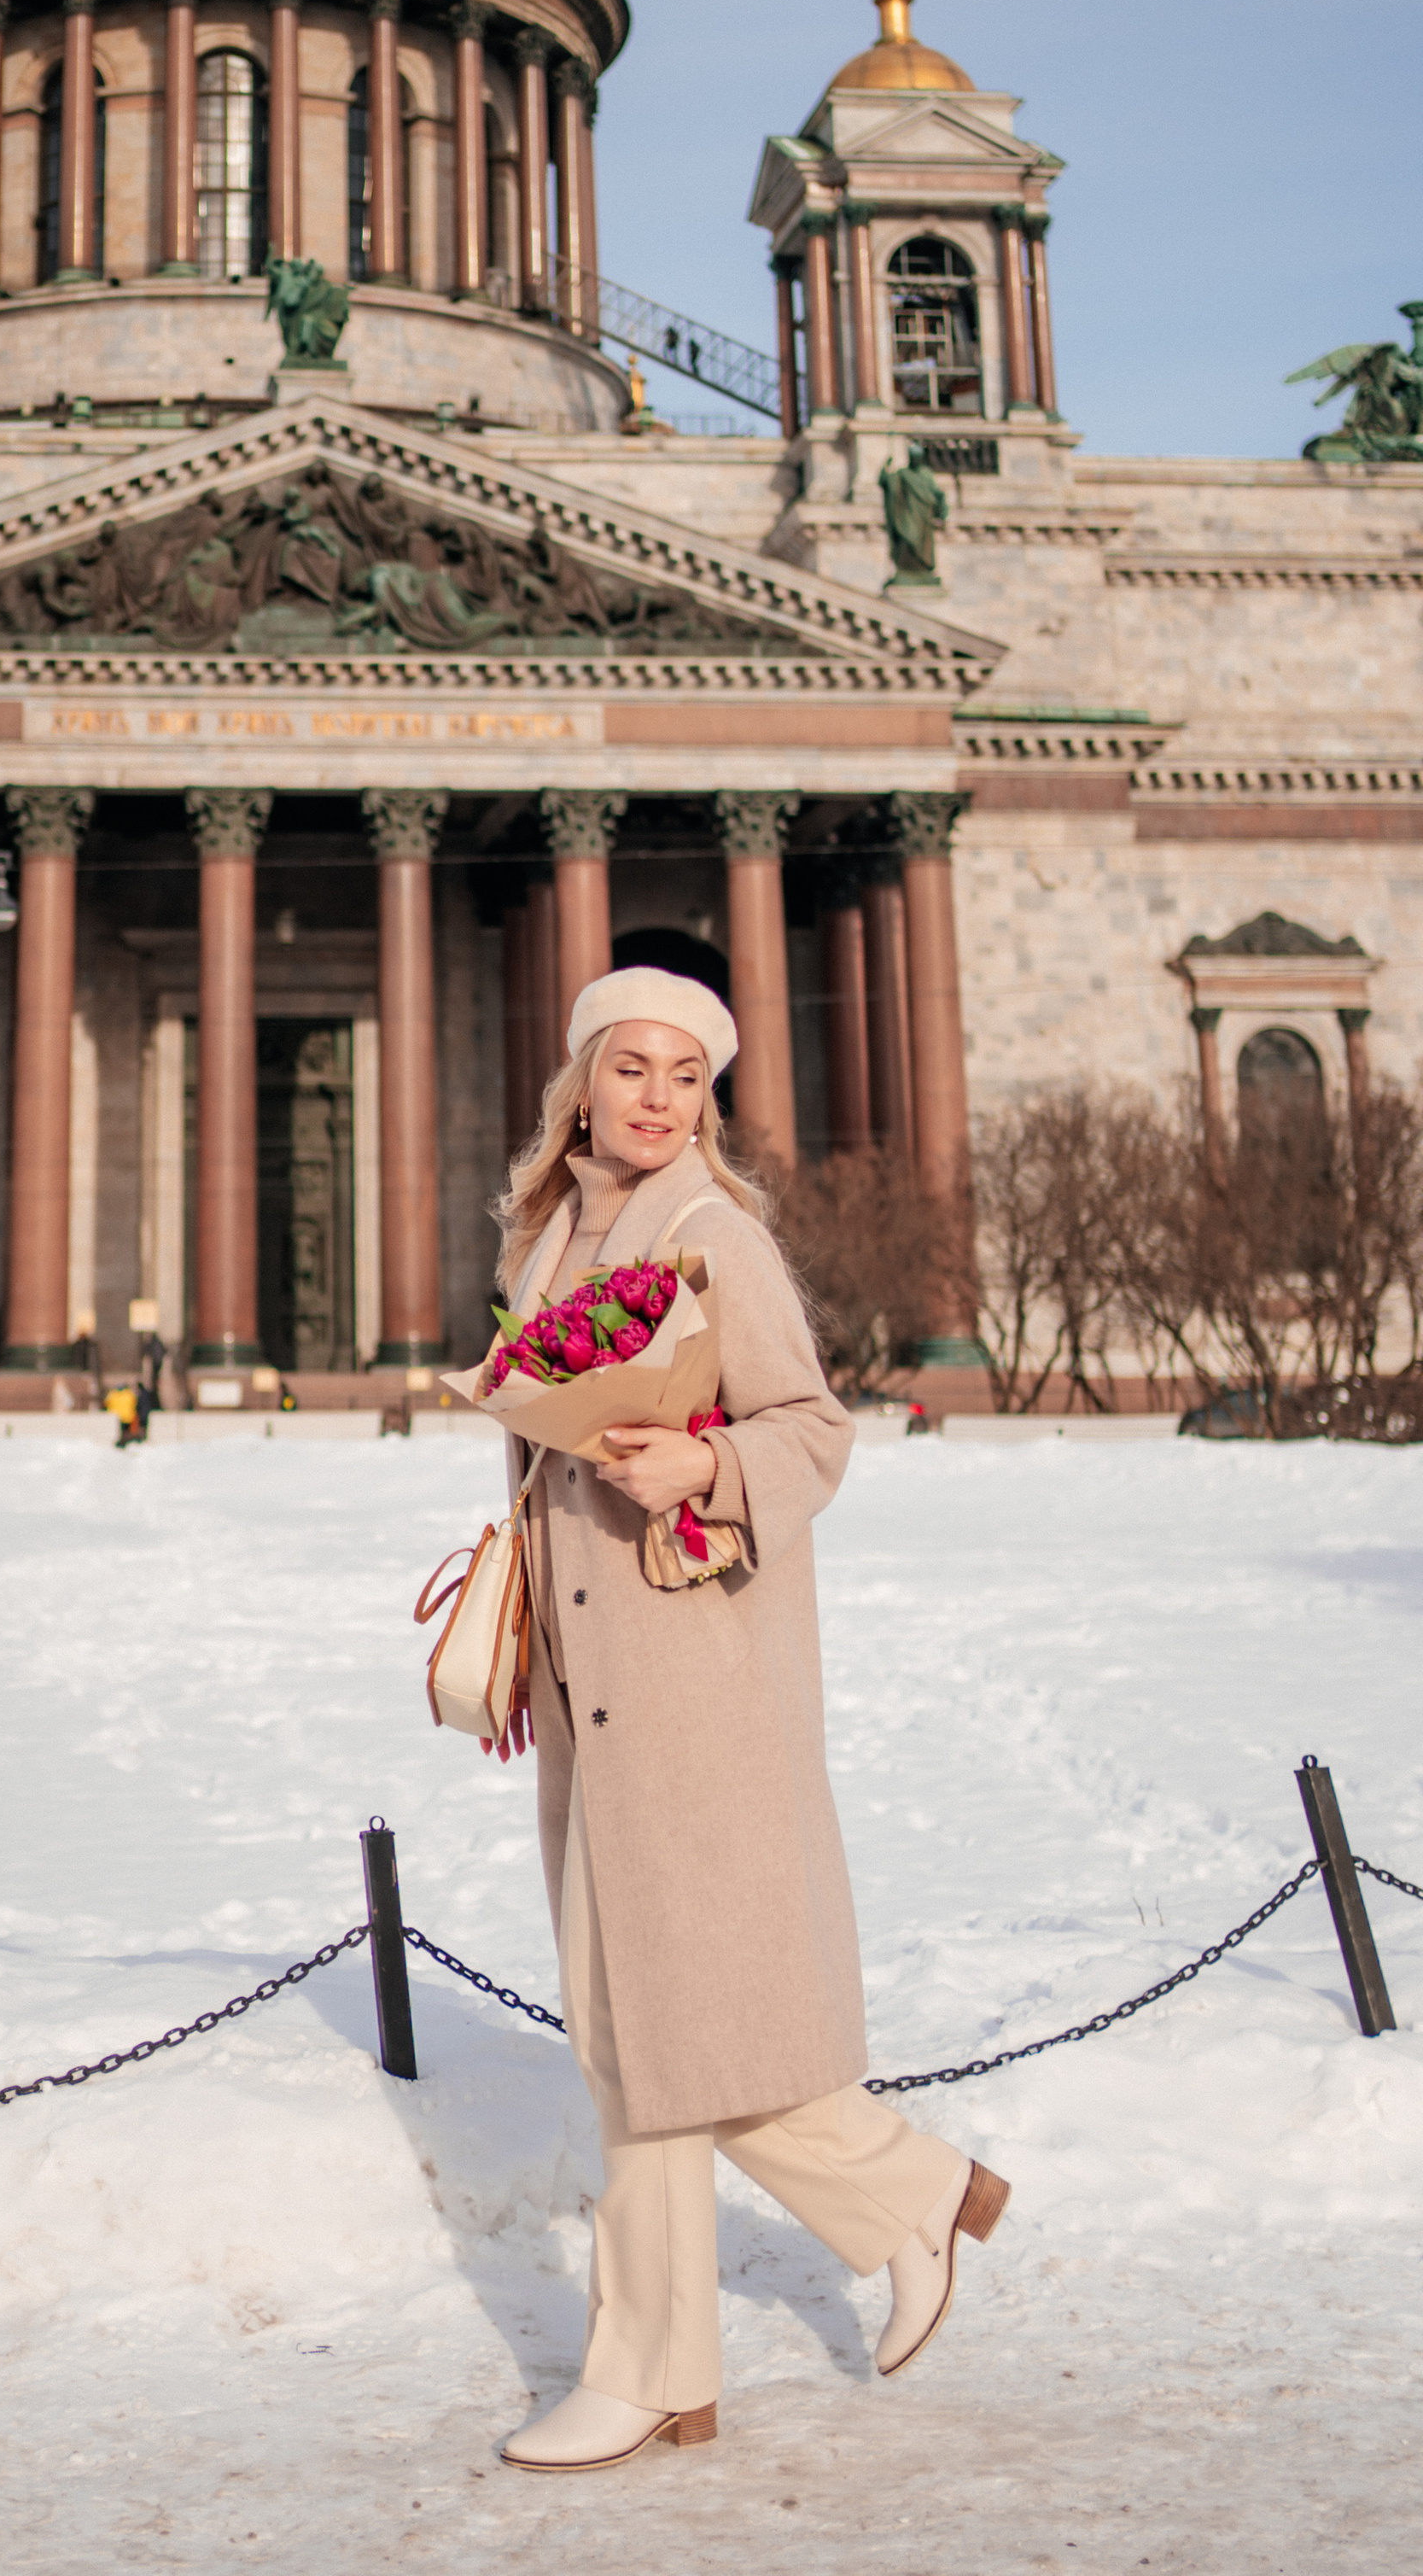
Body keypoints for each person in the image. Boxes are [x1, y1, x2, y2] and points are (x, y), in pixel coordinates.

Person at [488, 967, 1007, 2474]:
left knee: (657, 2029)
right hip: (595, 1674)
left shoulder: (718, 1237)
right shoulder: (560, 1231)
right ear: (581, 1080)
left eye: (686, 1078)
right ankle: (903, 2198)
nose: (655, 1098)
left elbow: (811, 1431)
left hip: (695, 1670)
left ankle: (656, 2364)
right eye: (631, 1068)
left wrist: (700, 1474)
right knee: (626, 2029)